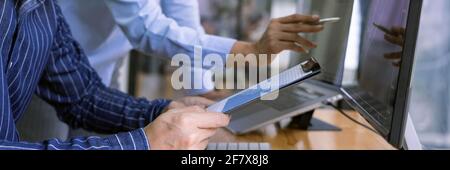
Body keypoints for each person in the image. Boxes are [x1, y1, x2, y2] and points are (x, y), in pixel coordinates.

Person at [18, 0, 326, 142]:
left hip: (96, 70)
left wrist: (201, 95)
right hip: (42, 62)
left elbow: (184, 20)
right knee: (48, 138)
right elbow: (146, 27)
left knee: (95, 131)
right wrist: (249, 50)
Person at [0, 0, 230, 150]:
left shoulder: (44, 8)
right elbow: (146, 27)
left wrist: (163, 111)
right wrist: (146, 143)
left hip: (95, 62)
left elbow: (82, 96)